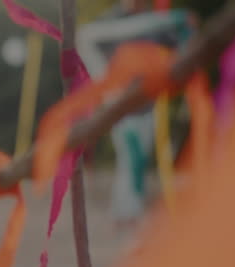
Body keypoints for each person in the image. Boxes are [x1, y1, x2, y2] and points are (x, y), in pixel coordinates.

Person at [76, 0, 195, 228]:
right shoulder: (109, 24)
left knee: (136, 160)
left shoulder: (155, 27)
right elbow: (98, 36)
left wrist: (184, 31)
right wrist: (172, 19)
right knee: (132, 155)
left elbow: (176, 47)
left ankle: (124, 211)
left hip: (147, 102)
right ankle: (129, 213)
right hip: (120, 104)